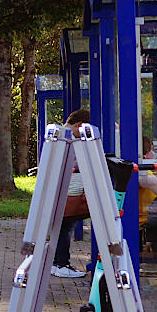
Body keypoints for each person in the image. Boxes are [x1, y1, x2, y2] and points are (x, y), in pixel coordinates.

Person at [52, 108, 90, 278]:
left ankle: (57, 263)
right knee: (65, 227)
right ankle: (61, 263)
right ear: (79, 125)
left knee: (62, 228)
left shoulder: (59, 135)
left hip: (61, 191)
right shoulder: (67, 140)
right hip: (68, 193)